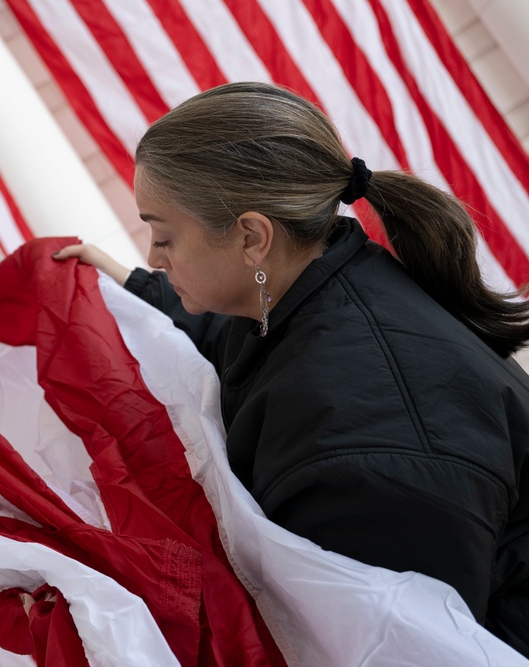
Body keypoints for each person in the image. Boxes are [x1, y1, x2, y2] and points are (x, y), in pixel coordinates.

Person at [53, 81, 529, 657]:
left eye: (163, 236)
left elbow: (389, 647)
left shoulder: (363, 448)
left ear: (253, 237)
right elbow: (241, 347)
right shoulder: (315, 285)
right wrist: (137, 292)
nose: (155, 256)